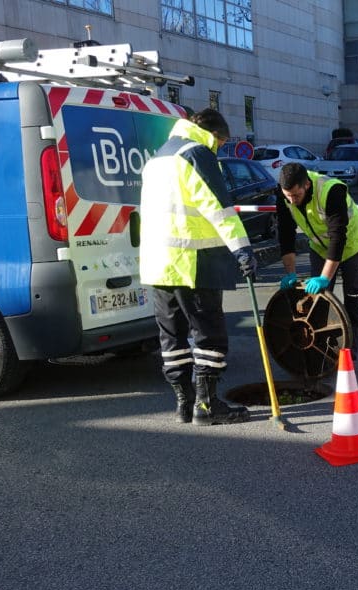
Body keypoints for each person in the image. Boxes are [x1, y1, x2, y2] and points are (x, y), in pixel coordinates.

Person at [139, 108, 257, 426]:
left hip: (157, 264)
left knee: (172, 338)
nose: (219, 149)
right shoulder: (197, 153)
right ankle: (207, 407)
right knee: (208, 335)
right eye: (222, 143)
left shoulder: (158, 158)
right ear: (215, 135)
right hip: (193, 262)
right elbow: (219, 209)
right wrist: (243, 250)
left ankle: (183, 403)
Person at [275, 162, 358, 359]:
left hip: (352, 244)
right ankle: (323, 356)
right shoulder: (283, 193)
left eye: (296, 196)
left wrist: (325, 278)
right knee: (317, 303)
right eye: (288, 196)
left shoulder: (331, 190)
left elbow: (338, 237)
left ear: (306, 185)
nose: (292, 201)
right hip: (319, 248)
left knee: (352, 303)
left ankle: (349, 358)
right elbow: (285, 235)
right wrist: (290, 273)